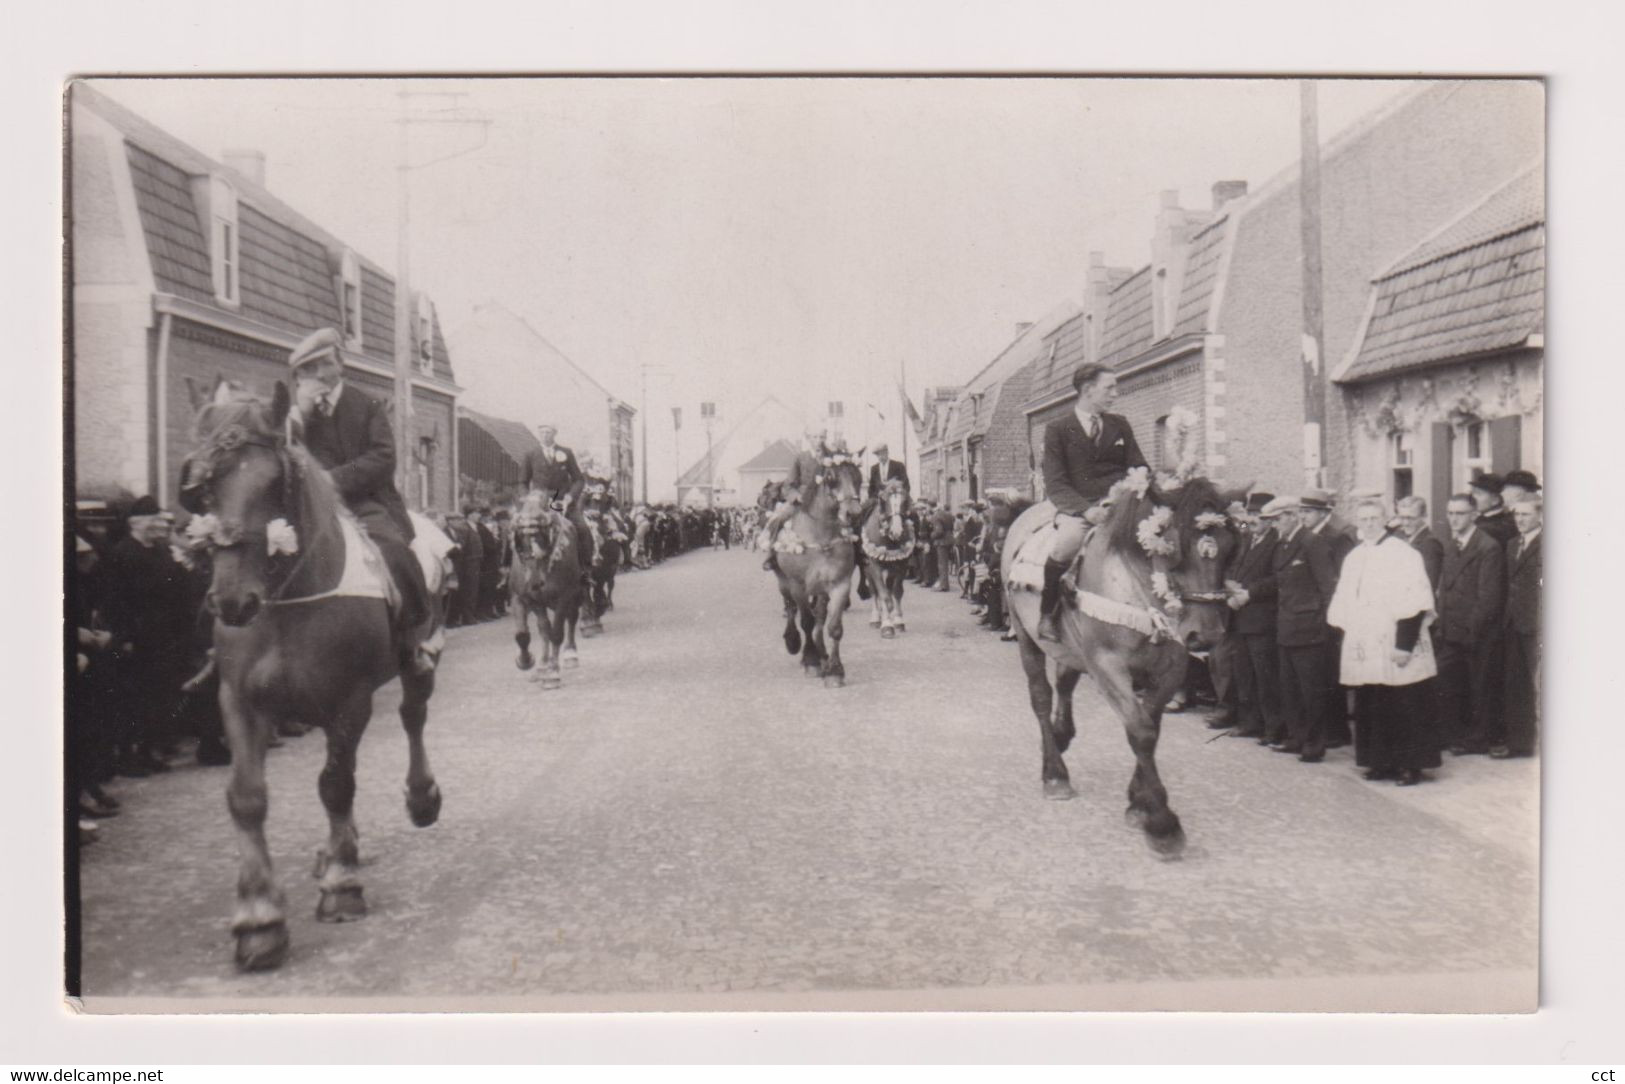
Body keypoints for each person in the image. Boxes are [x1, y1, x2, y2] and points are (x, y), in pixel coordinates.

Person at [290, 327, 433, 672]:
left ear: (340, 363)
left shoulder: (366, 405)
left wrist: (332, 480)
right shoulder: (296, 414)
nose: (318, 375)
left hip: (364, 503)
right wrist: (299, 415)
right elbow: (283, 455)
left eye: (323, 364)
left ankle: (411, 642)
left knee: (394, 552)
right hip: (311, 510)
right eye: (308, 370)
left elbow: (383, 457)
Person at [1328, 498, 1443, 786]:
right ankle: (1378, 760)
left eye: (1373, 519)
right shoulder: (1354, 556)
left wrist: (1404, 644)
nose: (1368, 524)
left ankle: (1410, 765)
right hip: (1367, 644)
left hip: (1397, 640)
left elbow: (1415, 601)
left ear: (1385, 520)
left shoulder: (1403, 554)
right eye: (1363, 519)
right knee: (1373, 701)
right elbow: (1345, 599)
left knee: (1404, 702)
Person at [1036, 362, 1148, 642]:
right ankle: (1048, 613)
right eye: (1109, 387)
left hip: (1122, 505)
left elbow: (1138, 465)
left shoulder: (1119, 425)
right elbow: (1056, 482)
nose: (1115, 394)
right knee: (1067, 545)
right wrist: (1086, 511)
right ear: (1088, 390)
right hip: (1081, 509)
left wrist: (1141, 485)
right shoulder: (1058, 429)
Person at [101, 496, 191, 775]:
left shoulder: (162, 551)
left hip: (164, 636)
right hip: (137, 637)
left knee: (158, 696)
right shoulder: (122, 553)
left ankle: (149, 750)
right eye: (154, 520)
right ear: (136, 524)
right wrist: (123, 636)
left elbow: (178, 590)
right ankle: (129, 756)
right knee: (134, 699)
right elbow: (114, 600)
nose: (160, 526)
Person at [1267, 495, 1338, 762]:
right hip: (1287, 626)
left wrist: (1325, 625)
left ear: (1291, 516)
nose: (1275, 525)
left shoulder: (1312, 543)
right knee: (1291, 689)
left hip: (1309, 629)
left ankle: (1314, 743)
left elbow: (1328, 587)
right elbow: (1278, 582)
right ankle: (1296, 737)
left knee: (1311, 691)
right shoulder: (1283, 545)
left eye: (1278, 519)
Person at [1436, 493, 1507, 756]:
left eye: (1460, 513)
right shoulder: (1451, 543)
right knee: (1448, 684)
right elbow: (1445, 588)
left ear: (1474, 515)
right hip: (1451, 630)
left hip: (1476, 633)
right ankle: (1453, 734)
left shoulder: (1487, 547)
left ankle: (1477, 740)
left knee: (1480, 687)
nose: (1454, 519)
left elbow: (1488, 598)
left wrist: (1471, 632)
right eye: (1451, 513)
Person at [1222, 493, 1282, 743]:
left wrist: (1249, 593)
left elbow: (1277, 578)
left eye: (1260, 515)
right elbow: (1234, 567)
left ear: (1271, 520)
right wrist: (1228, 583)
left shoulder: (1277, 543)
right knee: (1244, 673)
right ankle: (1249, 722)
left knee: (1265, 676)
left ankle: (1273, 728)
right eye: (1251, 514)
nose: (1253, 519)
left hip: (1261, 618)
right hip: (1239, 616)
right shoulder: (1246, 539)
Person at [1300, 489, 1356, 749]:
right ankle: (1327, 729)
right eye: (1302, 511)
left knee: (1332, 672)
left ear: (1324, 513)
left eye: (1309, 511)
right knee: (1321, 673)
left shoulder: (1337, 538)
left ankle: (1337, 730)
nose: (1304, 516)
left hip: (1331, 613)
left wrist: (1331, 613)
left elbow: (1340, 579)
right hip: (1313, 613)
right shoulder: (1309, 537)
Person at [521, 423, 594, 583]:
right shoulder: (530, 454)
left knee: (582, 529)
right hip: (539, 504)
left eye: (549, 432)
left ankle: (585, 570)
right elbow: (523, 482)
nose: (545, 435)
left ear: (555, 434)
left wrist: (570, 497)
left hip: (563, 501)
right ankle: (510, 570)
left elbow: (578, 480)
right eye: (542, 432)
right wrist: (528, 499)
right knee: (517, 528)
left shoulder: (566, 453)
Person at [1500, 496, 1542, 759]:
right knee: (1516, 684)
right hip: (1513, 623)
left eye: (1526, 515)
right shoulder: (1512, 544)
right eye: (1517, 515)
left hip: (1537, 625)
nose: (1520, 520)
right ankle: (1520, 744)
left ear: (1539, 515)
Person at [761, 430, 827, 572]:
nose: (819, 440)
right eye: (815, 436)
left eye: (822, 437)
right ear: (809, 439)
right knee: (778, 518)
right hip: (802, 501)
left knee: (851, 522)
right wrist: (796, 496)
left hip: (826, 502)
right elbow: (788, 485)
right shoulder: (800, 458)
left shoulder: (831, 459)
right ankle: (771, 554)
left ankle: (859, 557)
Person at [1396, 495, 1445, 591]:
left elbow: (1429, 584)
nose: (1405, 523)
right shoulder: (1399, 537)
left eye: (1411, 518)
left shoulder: (1430, 544)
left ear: (1424, 516)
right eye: (1402, 518)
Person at [1470, 472, 1517, 546]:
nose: (1473, 497)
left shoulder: (1494, 527)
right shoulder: (1483, 519)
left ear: (1495, 500)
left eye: (1479, 494)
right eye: (1473, 493)